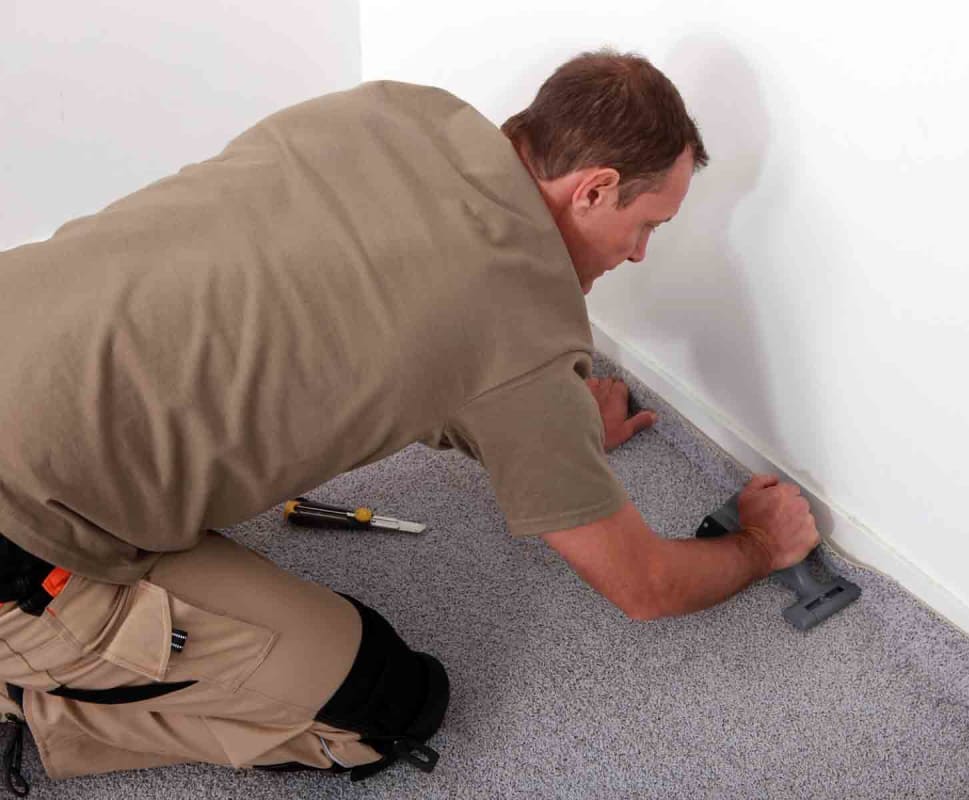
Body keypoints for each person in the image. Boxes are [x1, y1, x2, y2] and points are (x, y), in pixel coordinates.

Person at [0, 49, 819, 791]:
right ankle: (31, 706)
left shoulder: (396, 109)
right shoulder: (521, 329)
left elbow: (390, 337)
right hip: (21, 547)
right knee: (389, 707)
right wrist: (758, 544)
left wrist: (553, 435)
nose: (639, 253)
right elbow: (643, 587)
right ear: (594, 188)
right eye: (648, 226)